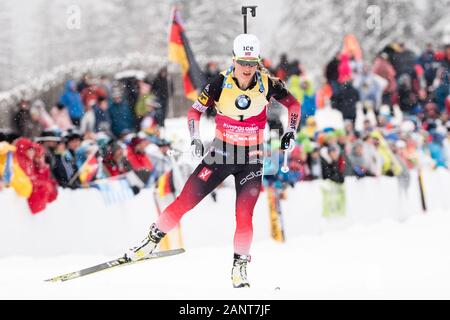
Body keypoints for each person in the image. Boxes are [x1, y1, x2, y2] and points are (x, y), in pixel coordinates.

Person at [124, 34, 301, 288]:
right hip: (220, 155)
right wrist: (195, 137)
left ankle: (239, 268)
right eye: (243, 62)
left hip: (251, 160)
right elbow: (195, 110)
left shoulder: (268, 84)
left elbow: (294, 105)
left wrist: (290, 131)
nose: (247, 68)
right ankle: (150, 241)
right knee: (185, 201)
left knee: (244, 216)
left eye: (252, 63)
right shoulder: (220, 83)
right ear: (234, 61)